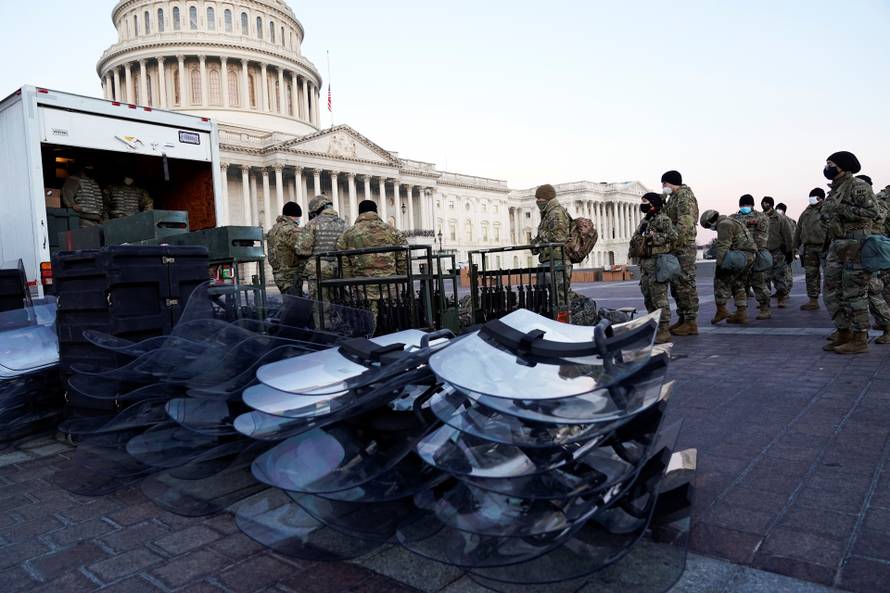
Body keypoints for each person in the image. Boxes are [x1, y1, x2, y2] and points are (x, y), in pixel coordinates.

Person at [821, 151, 880, 354]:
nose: (827, 167)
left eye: (831, 164)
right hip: (838, 244)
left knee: (854, 292)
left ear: (843, 166)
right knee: (831, 291)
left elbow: (874, 213)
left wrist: (844, 211)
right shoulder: (834, 190)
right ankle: (843, 331)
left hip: (855, 244)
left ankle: (860, 337)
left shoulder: (858, 186)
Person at [336, 200, 408, 333]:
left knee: (367, 323)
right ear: (376, 211)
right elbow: (402, 258)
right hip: (390, 285)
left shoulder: (348, 234)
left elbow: (344, 262)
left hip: (362, 287)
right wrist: (400, 278)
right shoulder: (393, 231)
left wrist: (349, 282)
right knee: (392, 321)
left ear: (359, 213)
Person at [629, 193, 677, 344]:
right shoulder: (646, 220)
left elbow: (673, 236)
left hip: (657, 263)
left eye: (645, 202)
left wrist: (653, 238)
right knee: (648, 297)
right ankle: (654, 326)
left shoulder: (663, 219)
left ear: (653, 203)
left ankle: (664, 329)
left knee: (659, 298)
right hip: (645, 264)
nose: (643, 205)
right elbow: (637, 236)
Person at [700, 209, 756, 325]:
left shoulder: (723, 224)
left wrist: (719, 265)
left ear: (710, 221)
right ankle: (741, 313)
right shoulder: (732, 221)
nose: (710, 228)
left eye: (707, 226)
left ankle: (721, 310)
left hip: (740, 256)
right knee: (738, 283)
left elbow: (723, 247)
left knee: (719, 281)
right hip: (749, 256)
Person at [661, 170, 700, 336]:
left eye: (664, 184)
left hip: (683, 247)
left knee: (685, 283)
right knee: (677, 285)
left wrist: (673, 241)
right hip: (676, 247)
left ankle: (691, 322)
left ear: (670, 183)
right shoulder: (674, 198)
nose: (663, 187)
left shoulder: (684, 197)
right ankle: (683, 318)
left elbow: (685, 224)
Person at [854, 175, 890, 343]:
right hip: (866, 250)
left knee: (875, 290)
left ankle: (887, 326)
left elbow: (876, 220)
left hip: (876, 251)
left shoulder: (878, 202)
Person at [295, 194, 348, 301]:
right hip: (339, 271)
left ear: (316, 210)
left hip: (318, 272)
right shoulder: (344, 224)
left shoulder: (312, 224)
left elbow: (301, 250)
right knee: (339, 304)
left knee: (320, 308)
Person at [732, 195, 772, 319]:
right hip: (740, 256)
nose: (744, 207)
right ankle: (740, 310)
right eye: (742, 205)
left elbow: (762, 237)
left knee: (758, 282)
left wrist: (753, 249)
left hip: (755, 254)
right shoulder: (733, 218)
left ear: (752, 205)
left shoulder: (761, 217)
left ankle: (765, 308)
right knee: (738, 284)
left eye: (747, 205)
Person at [531, 184, 572, 292]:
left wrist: (541, 234)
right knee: (550, 298)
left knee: (560, 296)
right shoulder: (548, 213)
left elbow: (559, 237)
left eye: (540, 198)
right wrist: (535, 244)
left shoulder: (556, 212)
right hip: (550, 259)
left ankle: (585, 305)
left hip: (558, 260)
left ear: (547, 197)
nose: (538, 201)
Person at [794, 188, 828, 311]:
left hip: (825, 247)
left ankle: (834, 301)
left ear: (821, 198)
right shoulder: (806, 212)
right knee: (811, 275)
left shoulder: (828, 209)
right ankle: (813, 300)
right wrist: (795, 245)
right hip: (809, 248)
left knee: (830, 275)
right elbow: (798, 229)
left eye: (814, 197)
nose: (811, 199)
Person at [265, 201, 306, 296]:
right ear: (294, 216)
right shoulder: (291, 230)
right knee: (294, 305)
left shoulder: (272, 230)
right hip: (291, 275)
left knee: (290, 302)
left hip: (278, 274)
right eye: (299, 217)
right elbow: (303, 249)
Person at [761, 196, 794, 308]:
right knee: (764, 278)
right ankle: (765, 303)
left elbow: (788, 235)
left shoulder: (780, 218)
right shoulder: (760, 217)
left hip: (777, 252)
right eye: (763, 203)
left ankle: (781, 298)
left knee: (779, 277)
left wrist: (789, 251)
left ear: (771, 204)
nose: (764, 205)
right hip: (764, 253)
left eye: (766, 203)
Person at [776, 202, 796, 297]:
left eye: (780, 209)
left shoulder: (789, 221)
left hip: (786, 249)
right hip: (777, 249)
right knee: (778, 272)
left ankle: (786, 290)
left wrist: (791, 250)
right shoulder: (776, 220)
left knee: (787, 271)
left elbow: (793, 235)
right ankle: (780, 291)